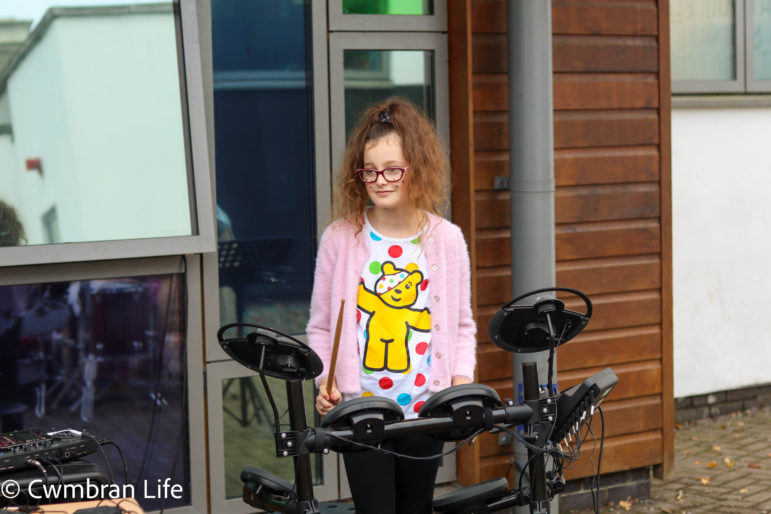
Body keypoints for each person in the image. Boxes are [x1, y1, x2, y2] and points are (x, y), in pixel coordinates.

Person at [306, 97, 476, 513]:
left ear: (416, 169)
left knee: (416, 508)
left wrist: (458, 380)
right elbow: (321, 326)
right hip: (361, 410)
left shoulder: (447, 239)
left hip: (426, 409)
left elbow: (463, 326)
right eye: (370, 171)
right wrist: (324, 381)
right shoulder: (340, 238)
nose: (380, 180)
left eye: (393, 170)